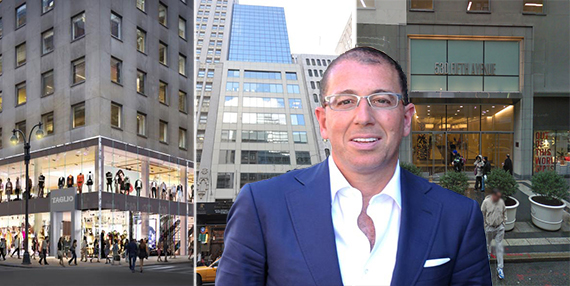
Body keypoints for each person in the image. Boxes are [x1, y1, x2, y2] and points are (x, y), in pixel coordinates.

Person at [216, 47, 491, 285]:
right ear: (323, 122)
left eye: (382, 100)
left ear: (406, 119)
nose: (363, 117)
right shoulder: (261, 206)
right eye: (346, 101)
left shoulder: (459, 216)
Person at [481, 188, 507, 280]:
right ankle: (488, 254)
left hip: (499, 228)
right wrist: (485, 225)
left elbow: (504, 212)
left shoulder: (501, 202)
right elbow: (482, 213)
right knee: (488, 243)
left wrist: (504, 223)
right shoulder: (486, 202)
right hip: (489, 227)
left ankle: (500, 268)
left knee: (499, 247)